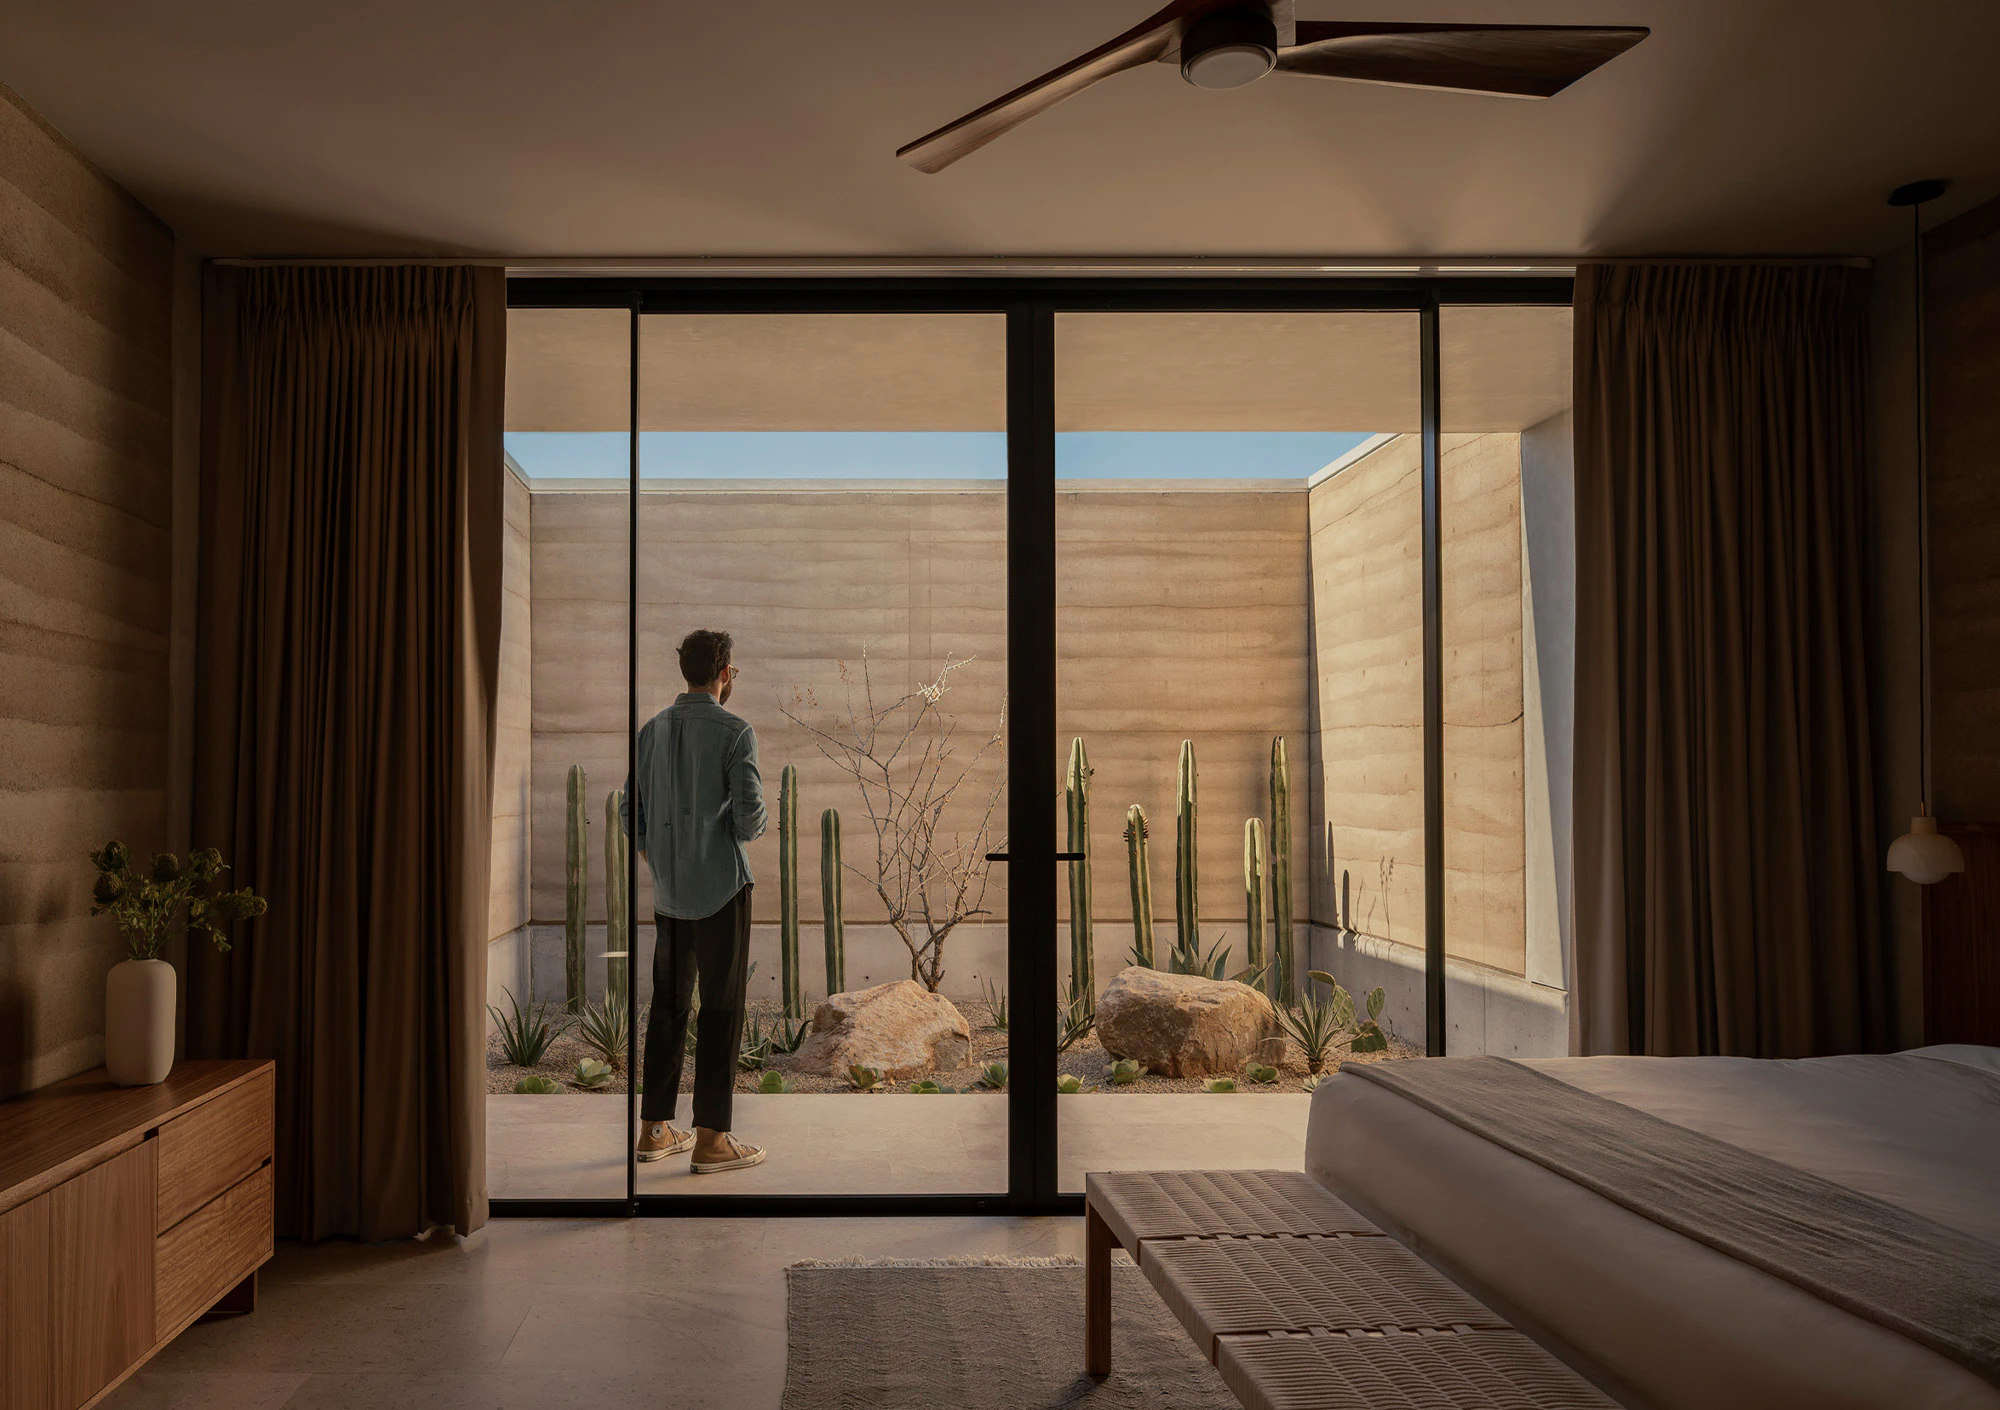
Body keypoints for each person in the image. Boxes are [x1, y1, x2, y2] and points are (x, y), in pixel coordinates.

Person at [621, 628, 769, 1173]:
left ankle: (654, 1131)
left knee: (668, 1007)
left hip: (670, 894)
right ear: (725, 673)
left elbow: (629, 812)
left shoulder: (650, 731)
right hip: (722, 891)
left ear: (686, 671)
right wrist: (732, 825)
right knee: (721, 1010)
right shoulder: (735, 731)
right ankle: (711, 1140)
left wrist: (662, 857)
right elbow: (750, 820)